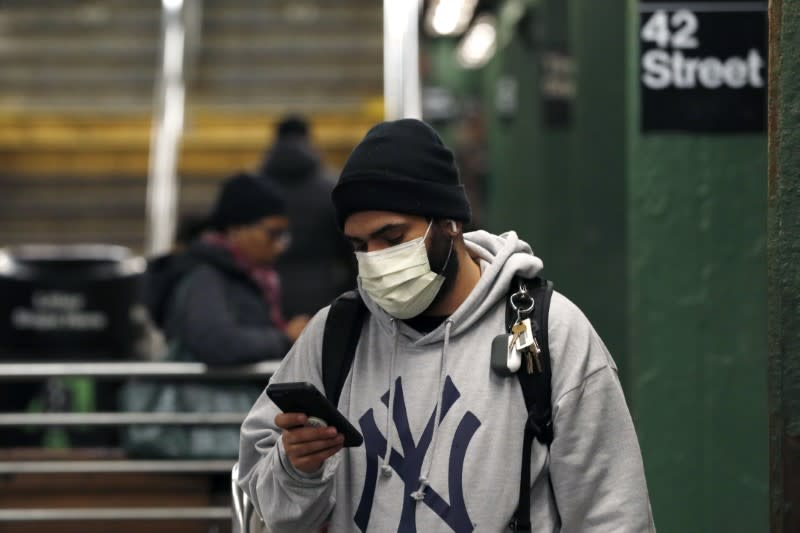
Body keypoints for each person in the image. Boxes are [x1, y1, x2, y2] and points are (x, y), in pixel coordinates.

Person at [237, 119, 655, 532]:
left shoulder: (548, 332)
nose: (376, 259)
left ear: (450, 222)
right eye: (360, 246)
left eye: (393, 237)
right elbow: (276, 514)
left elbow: (612, 513)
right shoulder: (335, 336)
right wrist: (297, 469)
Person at [147, 172, 310, 363]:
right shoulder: (204, 276)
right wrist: (285, 338)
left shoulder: (247, 275)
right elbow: (216, 343)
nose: (280, 245)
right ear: (236, 228)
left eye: (284, 235)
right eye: (273, 233)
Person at [258, 114, 356, 319]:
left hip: (264, 294)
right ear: (308, 139)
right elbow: (350, 249)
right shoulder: (331, 188)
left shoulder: (253, 187)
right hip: (322, 292)